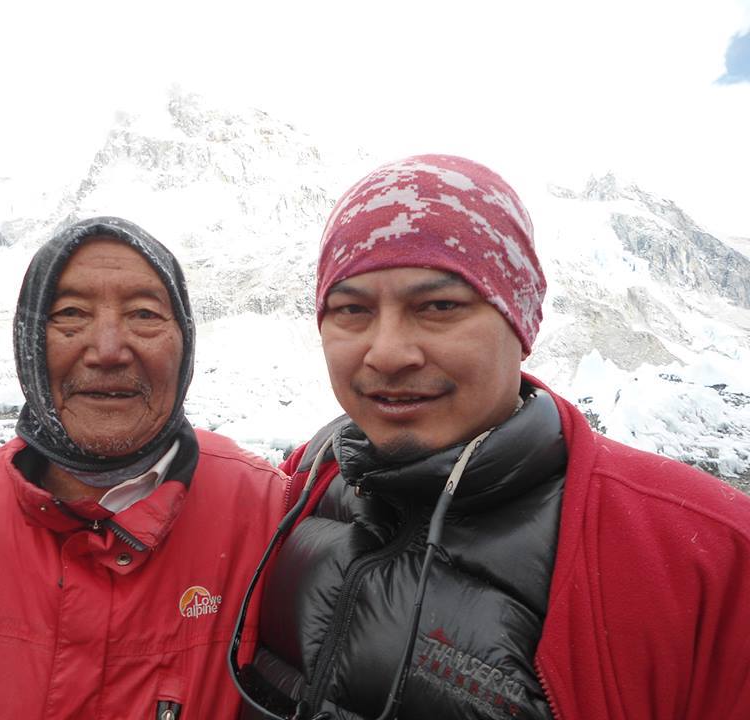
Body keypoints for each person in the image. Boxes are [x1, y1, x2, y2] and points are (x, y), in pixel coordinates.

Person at [229, 155, 750, 720]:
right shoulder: (310, 479)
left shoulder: (705, 555)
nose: (388, 353)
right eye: (351, 310)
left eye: (440, 307)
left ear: (520, 322)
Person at [0, 217, 290, 719]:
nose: (107, 350)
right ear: (30, 342)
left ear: (185, 341)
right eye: (71, 314)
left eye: (145, 314)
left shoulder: (267, 515)